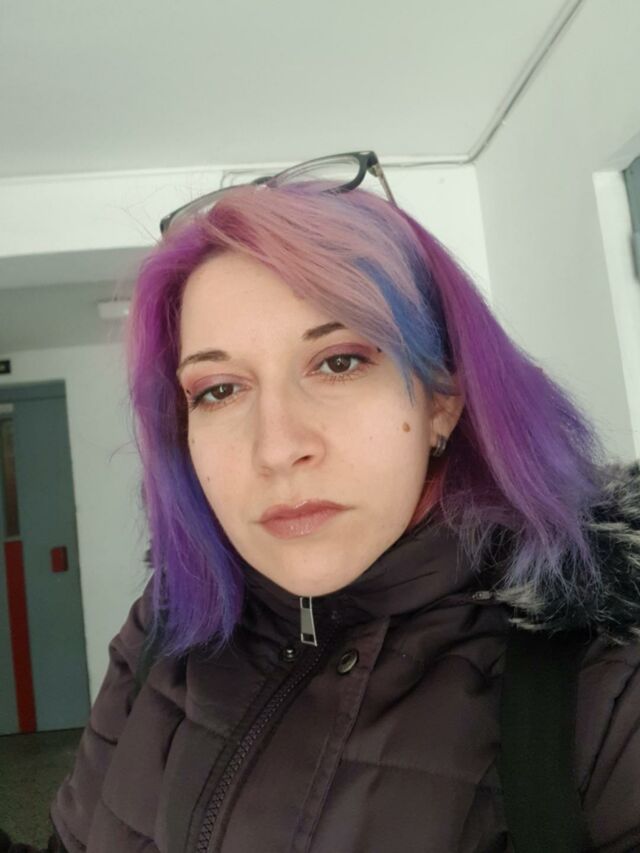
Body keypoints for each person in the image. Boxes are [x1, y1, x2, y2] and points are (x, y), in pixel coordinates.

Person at [5, 151, 640, 851]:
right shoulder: (165, 625)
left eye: (339, 362)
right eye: (219, 389)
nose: (277, 447)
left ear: (441, 400)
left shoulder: (601, 684)